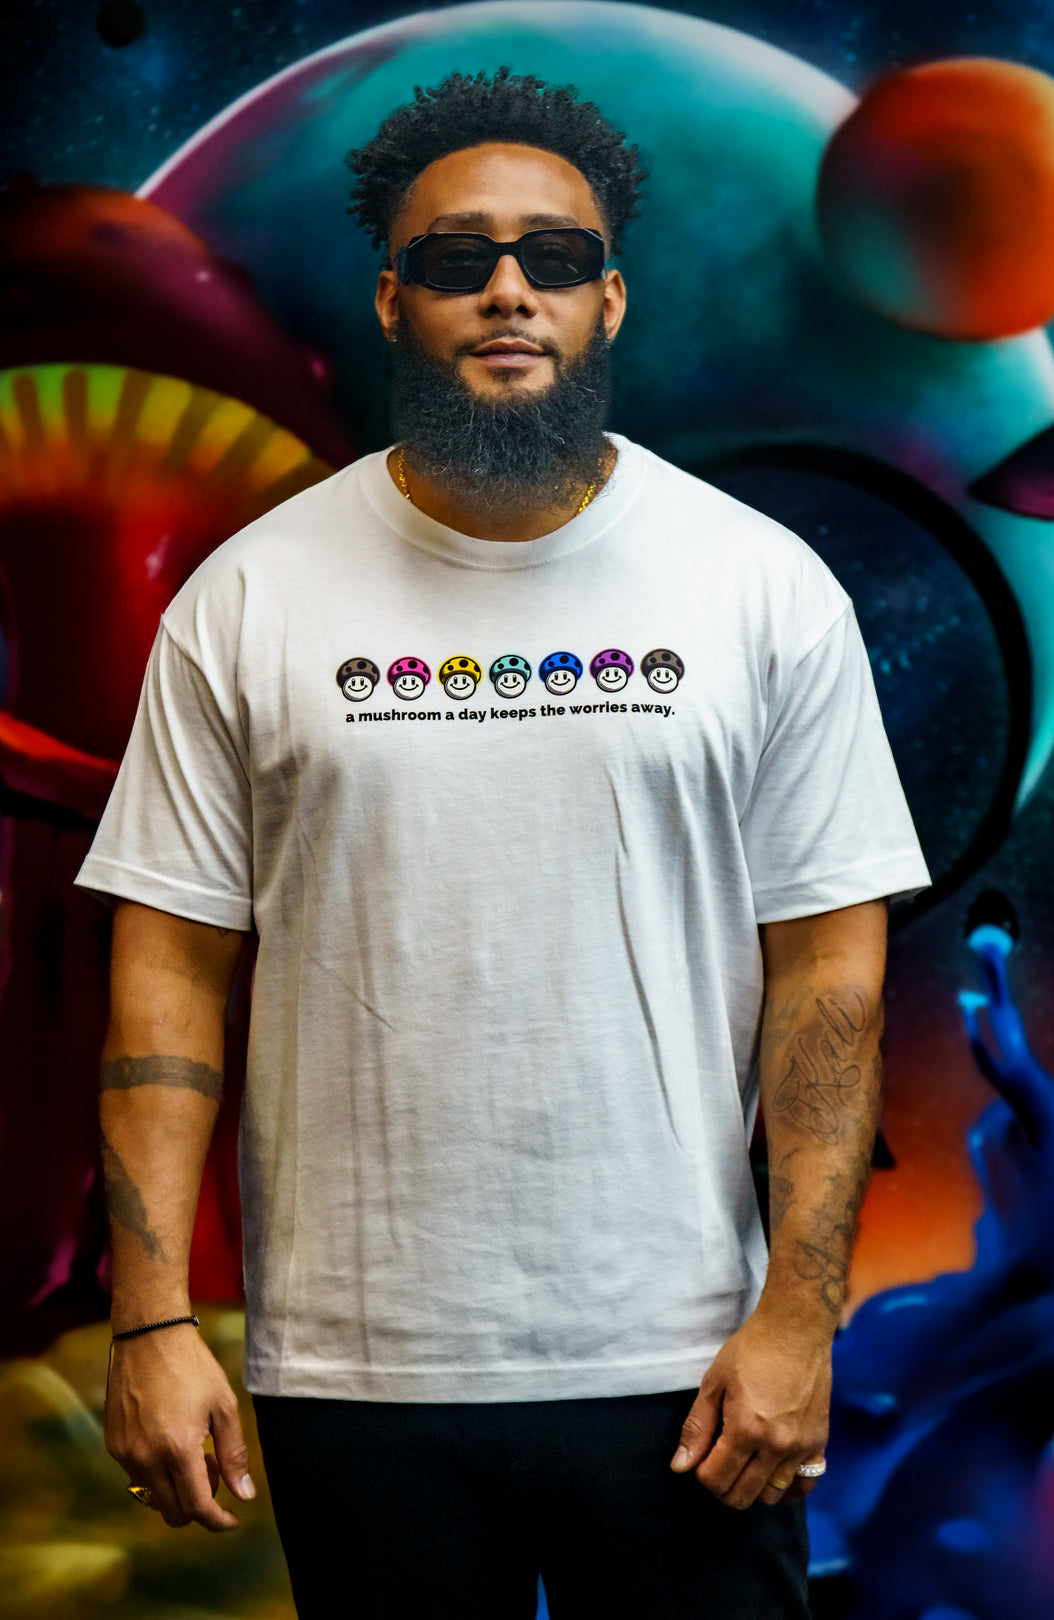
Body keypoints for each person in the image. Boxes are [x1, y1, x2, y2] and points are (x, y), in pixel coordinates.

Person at [77, 67, 931, 1620]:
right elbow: (167, 972)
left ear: (612, 299)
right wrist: (151, 1323)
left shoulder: (757, 587)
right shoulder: (252, 597)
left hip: (686, 1364)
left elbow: (829, 970)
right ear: (396, 301)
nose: (509, 291)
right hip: (356, 1366)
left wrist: (800, 1317)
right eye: (460, 260)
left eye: (552, 256)